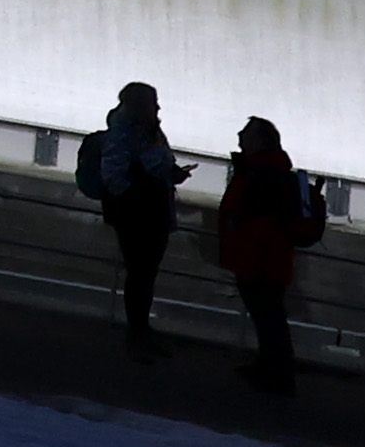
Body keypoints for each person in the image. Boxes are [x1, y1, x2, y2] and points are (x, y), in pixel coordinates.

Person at [78, 80, 188, 359]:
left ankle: (140, 331)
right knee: (141, 274)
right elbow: (114, 176)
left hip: (151, 212)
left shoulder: (149, 132)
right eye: (153, 102)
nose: (158, 107)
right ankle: (137, 335)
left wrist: (171, 174)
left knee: (145, 275)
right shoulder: (125, 134)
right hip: (139, 216)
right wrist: (139, 198)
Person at [213, 116, 322, 395]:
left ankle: (277, 376)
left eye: (246, 133)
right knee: (268, 318)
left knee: (269, 318)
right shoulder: (267, 171)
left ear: (259, 141)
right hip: (264, 259)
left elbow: (257, 218)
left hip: (258, 259)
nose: (239, 136)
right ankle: (270, 369)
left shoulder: (262, 174)